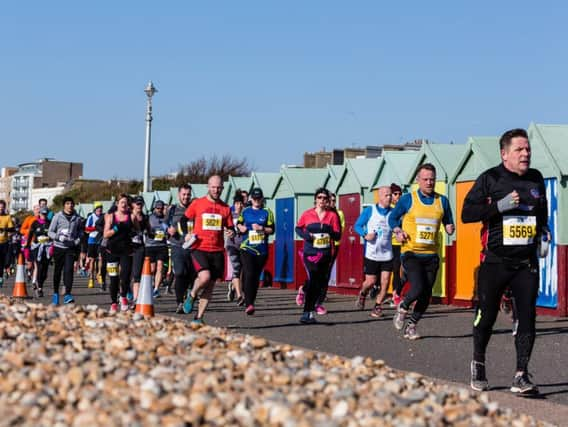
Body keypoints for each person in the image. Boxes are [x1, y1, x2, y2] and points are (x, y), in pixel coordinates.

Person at [462, 128, 548, 395]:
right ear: (504, 154)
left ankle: (521, 375)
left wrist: (543, 232)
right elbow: (467, 213)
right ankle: (478, 362)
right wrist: (498, 206)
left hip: (526, 263)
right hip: (495, 262)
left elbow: (541, 212)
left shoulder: (536, 179)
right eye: (519, 150)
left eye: (528, 149)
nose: (526, 154)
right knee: (486, 317)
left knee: (528, 318)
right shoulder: (491, 179)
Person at [389, 163, 454, 340]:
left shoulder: (442, 201)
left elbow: (448, 221)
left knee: (426, 294)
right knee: (417, 287)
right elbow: (393, 218)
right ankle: (403, 306)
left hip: (431, 255)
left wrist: (449, 227)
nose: (429, 182)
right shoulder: (407, 200)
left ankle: (412, 326)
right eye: (425, 179)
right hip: (411, 252)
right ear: (418, 180)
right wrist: (397, 230)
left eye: (432, 179)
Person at [181, 175, 235, 324]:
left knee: (210, 286)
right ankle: (192, 294)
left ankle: (198, 318)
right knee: (204, 277)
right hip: (200, 247)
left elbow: (230, 227)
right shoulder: (198, 203)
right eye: (213, 187)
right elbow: (183, 220)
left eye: (219, 188)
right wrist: (186, 234)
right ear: (208, 187)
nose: (216, 190)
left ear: (222, 188)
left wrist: (232, 232)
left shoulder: (225, 208)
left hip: (217, 251)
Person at [295, 188, 341, 324]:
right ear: (315, 199)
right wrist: (307, 236)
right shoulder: (307, 214)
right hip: (310, 253)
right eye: (319, 197)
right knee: (314, 279)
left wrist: (329, 233)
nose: (322, 200)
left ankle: (309, 309)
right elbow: (298, 228)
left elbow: (338, 234)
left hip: (325, 254)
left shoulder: (332, 216)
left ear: (328, 201)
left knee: (319, 283)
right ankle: (306, 312)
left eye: (324, 198)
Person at [354, 186, 393, 318]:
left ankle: (377, 306)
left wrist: (400, 234)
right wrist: (365, 235)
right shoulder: (370, 210)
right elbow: (357, 225)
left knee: (385, 281)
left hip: (387, 253)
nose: (390, 197)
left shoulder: (393, 213)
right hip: (372, 253)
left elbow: (399, 226)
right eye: (387, 195)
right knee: (370, 282)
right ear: (380, 197)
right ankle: (363, 293)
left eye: (391, 195)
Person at [237, 187, 275, 314]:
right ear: (251, 199)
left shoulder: (267, 212)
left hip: (261, 250)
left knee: (255, 276)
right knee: (249, 273)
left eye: (259, 199)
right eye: (254, 199)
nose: (257, 201)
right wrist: (241, 228)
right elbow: (239, 223)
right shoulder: (246, 211)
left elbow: (272, 229)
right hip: (246, 247)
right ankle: (248, 303)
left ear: (262, 199)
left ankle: (251, 301)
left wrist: (262, 228)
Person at [166, 184, 196, 314]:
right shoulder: (172, 209)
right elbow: (164, 224)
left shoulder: (195, 208)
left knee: (191, 275)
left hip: (193, 246)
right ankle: (179, 302)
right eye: (183, 194)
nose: (186, 197)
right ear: (179, 195)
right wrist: (168, 230)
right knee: (179, 273)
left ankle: (189, 295)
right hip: (177, 245)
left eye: (188, 194)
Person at [48, 197, 83, 304]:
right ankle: (55, 293)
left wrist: (77, 240)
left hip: (70, 248)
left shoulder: (77, 218)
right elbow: (50, 232)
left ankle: (68, 294)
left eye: (72, 204)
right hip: (59, 247)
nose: (70, 205)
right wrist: (58, 237)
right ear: (64, 205)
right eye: (67, 203)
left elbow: (81, 232)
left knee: (69, 271)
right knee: (57, 271)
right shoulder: (57, 217)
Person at [103, 194, 134, 312]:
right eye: (122, 202)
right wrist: (116, 229)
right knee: (113, 279)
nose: (124, 204)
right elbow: (105, 234)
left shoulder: (131, 216)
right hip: (112, 251)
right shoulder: (110, 217)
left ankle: (123, 296)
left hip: (126, 251)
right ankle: (114, 303)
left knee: (125, 276)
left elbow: (138, 229)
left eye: (126, 202)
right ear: (117, 204)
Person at [25, 207, 52, 297]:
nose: (43, 216)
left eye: (45, 214)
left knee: (45, 270)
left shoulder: (50, 223)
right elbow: (30, 235)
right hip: (37, 247)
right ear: (39, 214)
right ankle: (40, 288)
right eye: (42, 214)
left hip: (47, 247)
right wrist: (27, 245)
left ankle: (40, 282)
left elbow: (54, 234)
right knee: (39, 266)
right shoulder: (35, 223)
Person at [146, 200, 169, 298]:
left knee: (160, 266)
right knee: (152, 269)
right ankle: (150, 284)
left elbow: (169, 230)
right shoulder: (149, 218)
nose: (159, 210)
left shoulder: (166, 218)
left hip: (161, 246)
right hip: (150, 246)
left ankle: (156, 289)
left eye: (161, 208)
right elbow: (145, 229)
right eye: (158, 208)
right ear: (154, 208)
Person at [226, 192, 245, 305]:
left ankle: (233, 287)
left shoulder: (247, 215)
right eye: (237, 203)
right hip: (232, 245)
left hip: (244, 246)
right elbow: (223, 226)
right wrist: (227, 231)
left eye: (241, 203)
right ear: (234, 204)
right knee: (237, 268)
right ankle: (239, 296)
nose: (239, 206)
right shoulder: (230, 215)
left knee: (243, 271)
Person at [130, 196, 150, 303]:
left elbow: (150, 230)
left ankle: (135, 299)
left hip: (139, 247)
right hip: (127, 247)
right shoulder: (127, 216)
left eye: (141, 204)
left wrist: (151, 233)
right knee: (126, 273)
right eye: (137, 204)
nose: (139, 206)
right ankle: (123, 294)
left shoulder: (145, 217)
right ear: (132, 205)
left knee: (137, 274)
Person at [389, 183, 404, 306]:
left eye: (400, 194)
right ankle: (394, 294)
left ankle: (396, 294)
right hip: (391, 244)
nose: (398, 196)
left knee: (403, 271)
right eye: (395, 194)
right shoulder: (388, 210)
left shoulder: (404, 208)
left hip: (404, 244)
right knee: (394, 270)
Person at [84, 202, 104, 288]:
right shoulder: (91, 217)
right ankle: (91, 278)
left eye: (100, 208)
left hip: (100, 240)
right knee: (92, 260)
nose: (99, 209)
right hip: (92, 240)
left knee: (100, 258)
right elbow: (86, 229)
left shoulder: (104, 216)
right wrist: (95, 228)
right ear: (95, 209)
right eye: (98, 208)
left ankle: (99, 274)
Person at [0, 200, 15, 288]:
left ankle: (1, 277)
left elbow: (12, 229)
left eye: (2, 208)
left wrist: (4, 230)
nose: (0, 209)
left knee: (2, 262)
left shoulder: (7, 217)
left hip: (4, 243)